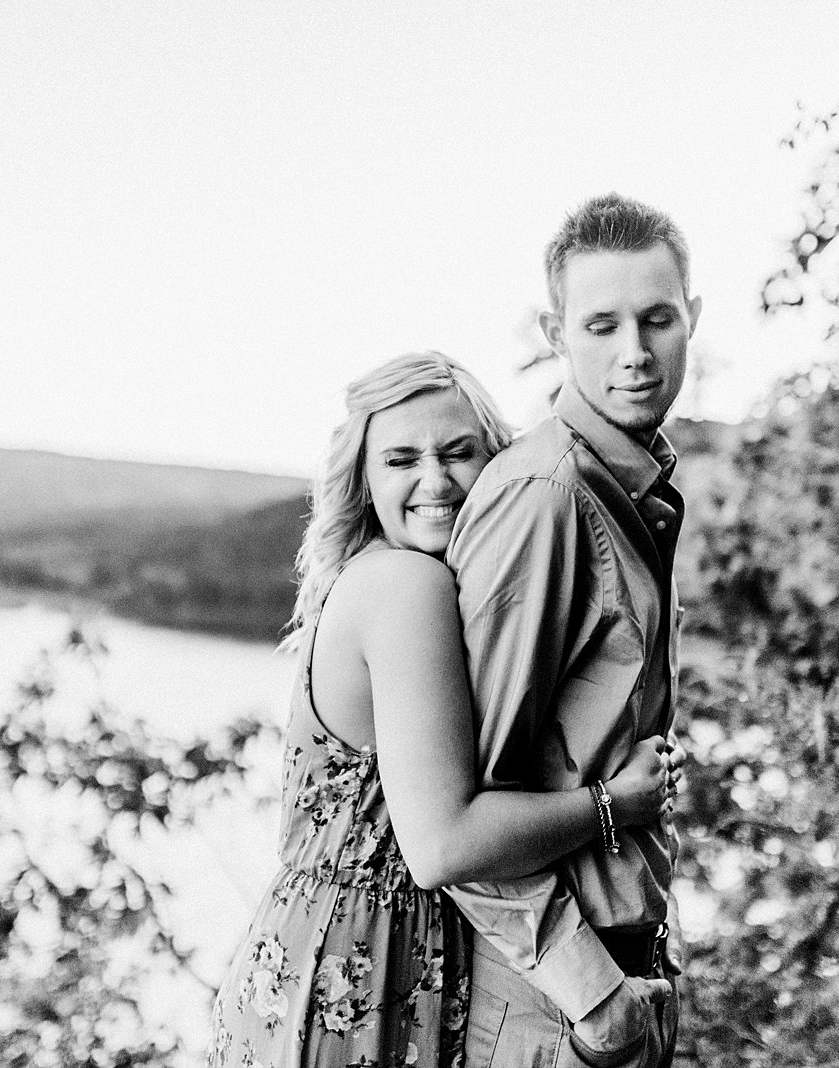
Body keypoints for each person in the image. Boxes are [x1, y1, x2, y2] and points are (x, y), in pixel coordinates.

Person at [207, 351, 682, 1068]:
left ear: (492, 462)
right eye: (401, 459)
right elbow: (445, 846)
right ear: (364, 482)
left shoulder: (380, 577)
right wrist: (615, 803)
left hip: (323, 958)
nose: (434, 480)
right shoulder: (406, 587)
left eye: (458, 453)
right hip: (355, 973)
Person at [444, 193, 702, 1068]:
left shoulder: (631, 489)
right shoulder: (547, 498)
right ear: (555, 332)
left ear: (690, 320)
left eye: (657, 319)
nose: (635, 353)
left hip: (617, 984)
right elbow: (460, 817)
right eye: (602, 325)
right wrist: (597, 998)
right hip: (556, 1010)